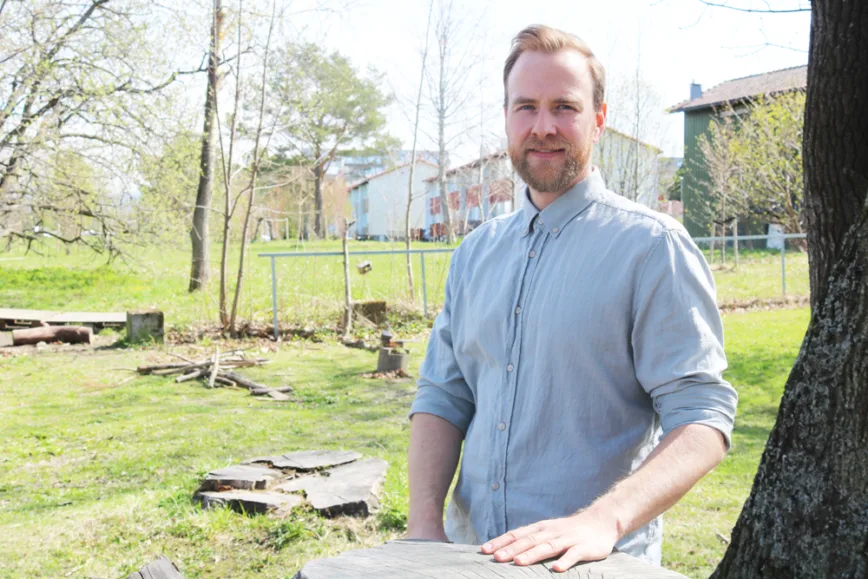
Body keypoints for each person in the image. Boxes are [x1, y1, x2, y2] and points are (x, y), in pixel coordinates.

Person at [406, 24, 738, 573]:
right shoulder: (475, 253)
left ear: (598, 119)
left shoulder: (652, 248)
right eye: (526, 107)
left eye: (564, 106)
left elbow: (702, 418)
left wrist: (601, 520)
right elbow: (444, 395)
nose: (543, 127)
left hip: (590, 565)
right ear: (507, 117)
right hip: (468, 559)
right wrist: (422, 524)